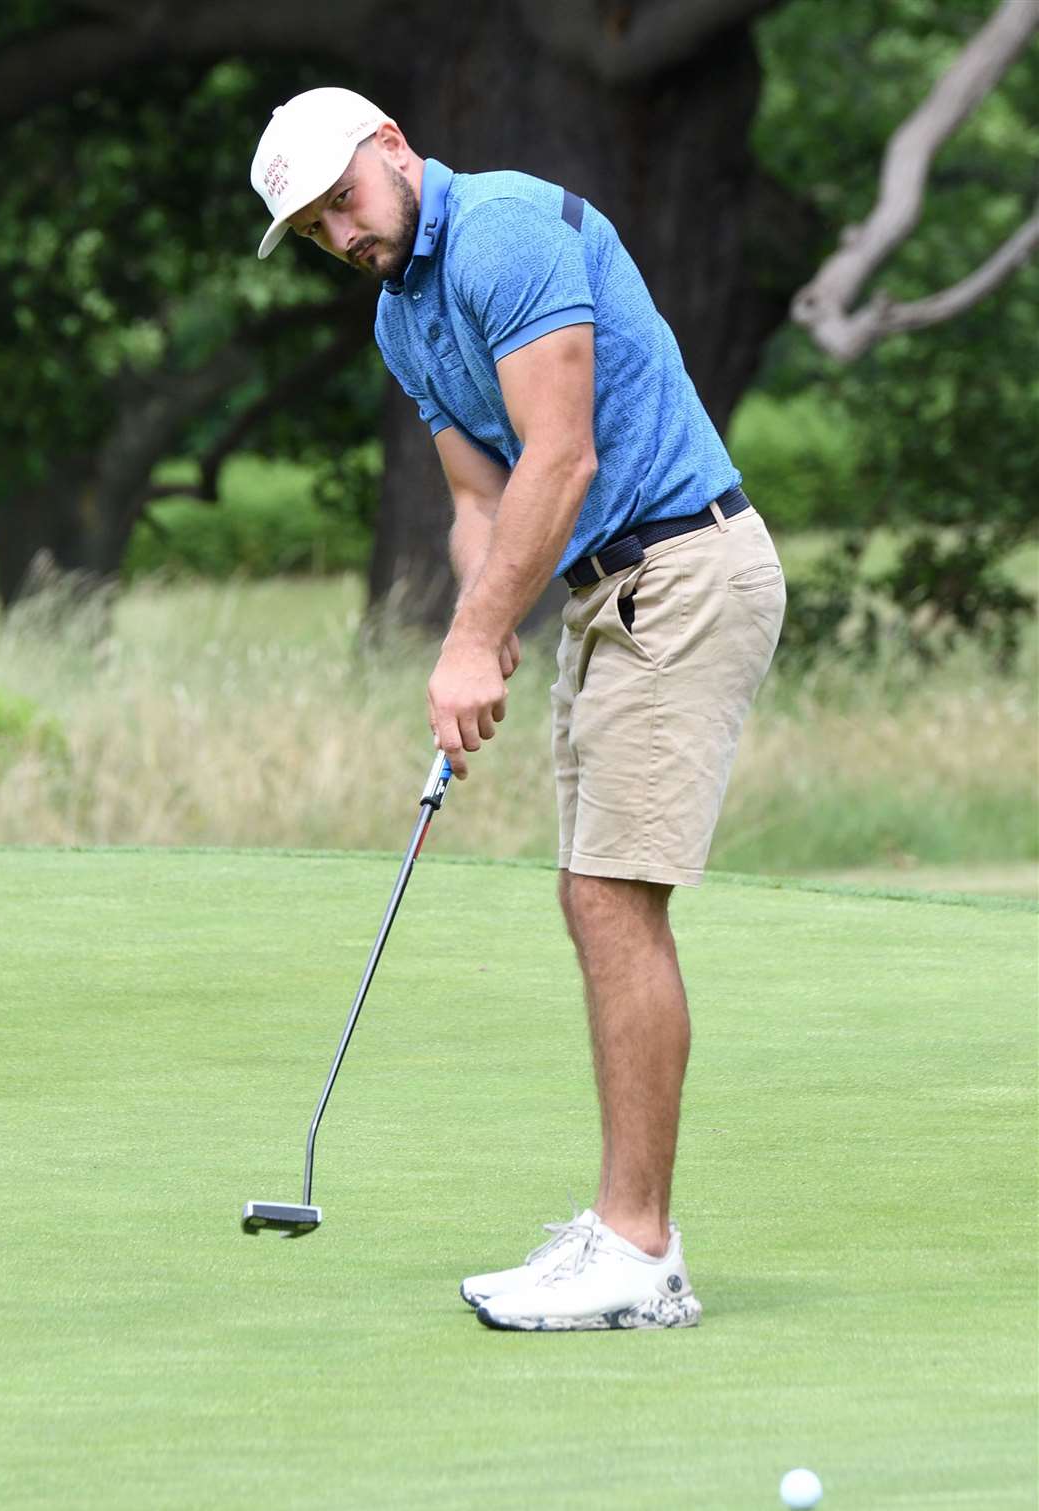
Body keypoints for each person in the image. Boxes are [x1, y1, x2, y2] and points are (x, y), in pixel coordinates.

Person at [250, 87, 786, 1333]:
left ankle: (640, 1254)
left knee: (612, 893)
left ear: (393, 144)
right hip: (610, 595)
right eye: (314, 227)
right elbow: (479, 495)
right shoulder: (402, 315)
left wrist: (482, 638)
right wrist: (470, 643)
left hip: (683, 567)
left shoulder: (499, 234)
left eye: (344, 198)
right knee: (589, 892)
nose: (342, 233)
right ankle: (617, 1227)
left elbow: (566, 456)